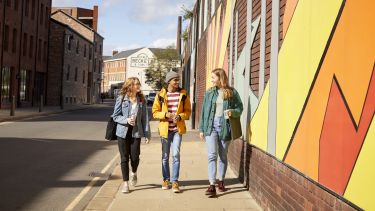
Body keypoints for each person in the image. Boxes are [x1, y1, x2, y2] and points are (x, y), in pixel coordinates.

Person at [199, 68, 243, 196]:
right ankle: (212, 184)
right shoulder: (209, 93)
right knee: (212, 155)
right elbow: (203, 112)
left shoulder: (231, 92)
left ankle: (221, 181)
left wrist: (232, 112)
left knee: (223, 156)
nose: (211, 80)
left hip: (225, 127)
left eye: (213, 77)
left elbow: (240, 107)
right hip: (210, 127)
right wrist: (202, 129)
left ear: (220, 78)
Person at [152, 69, 191, 193]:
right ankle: (166, 179)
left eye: (178, 80)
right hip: (165, 131)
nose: (177, 82)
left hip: (177, 130)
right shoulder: (160, 95)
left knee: (175, 155)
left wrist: (180, 116)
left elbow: (188, 111)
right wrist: (166, 115)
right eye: (175, 80)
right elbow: (154, 112)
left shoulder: (183, 94)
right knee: (165, 157)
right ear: (169, 81)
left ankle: (175, 182)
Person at [112, 77, 151, 193]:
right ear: (130, 86)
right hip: (122, 133)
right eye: (136, 84)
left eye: (139, 84)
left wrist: (147, 135)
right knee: (124, 158)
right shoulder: (121, 98)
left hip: (136, 132)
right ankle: (125, 184)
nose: (139, 86)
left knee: (135, 157)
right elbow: (115, 116)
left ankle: (134, 172)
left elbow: (145, 118)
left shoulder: (141, 100)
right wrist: (126, 120)